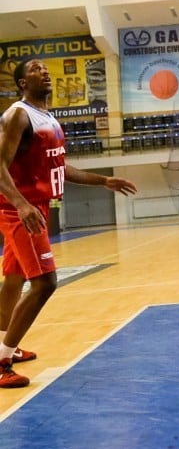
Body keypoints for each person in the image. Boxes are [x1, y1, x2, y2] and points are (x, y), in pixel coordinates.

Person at [0, 59, 137, 389]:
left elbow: (61, 168)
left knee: (15, 280)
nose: (44, 71)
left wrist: (102, 181)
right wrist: (21, 204)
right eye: (34, 69)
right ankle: (2, 360)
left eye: (45, 68)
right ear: (22, 83)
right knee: (46, 282)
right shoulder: (19, 114)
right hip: (21, 208)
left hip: (36, 206)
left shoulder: (47, 119)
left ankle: (6, 345)